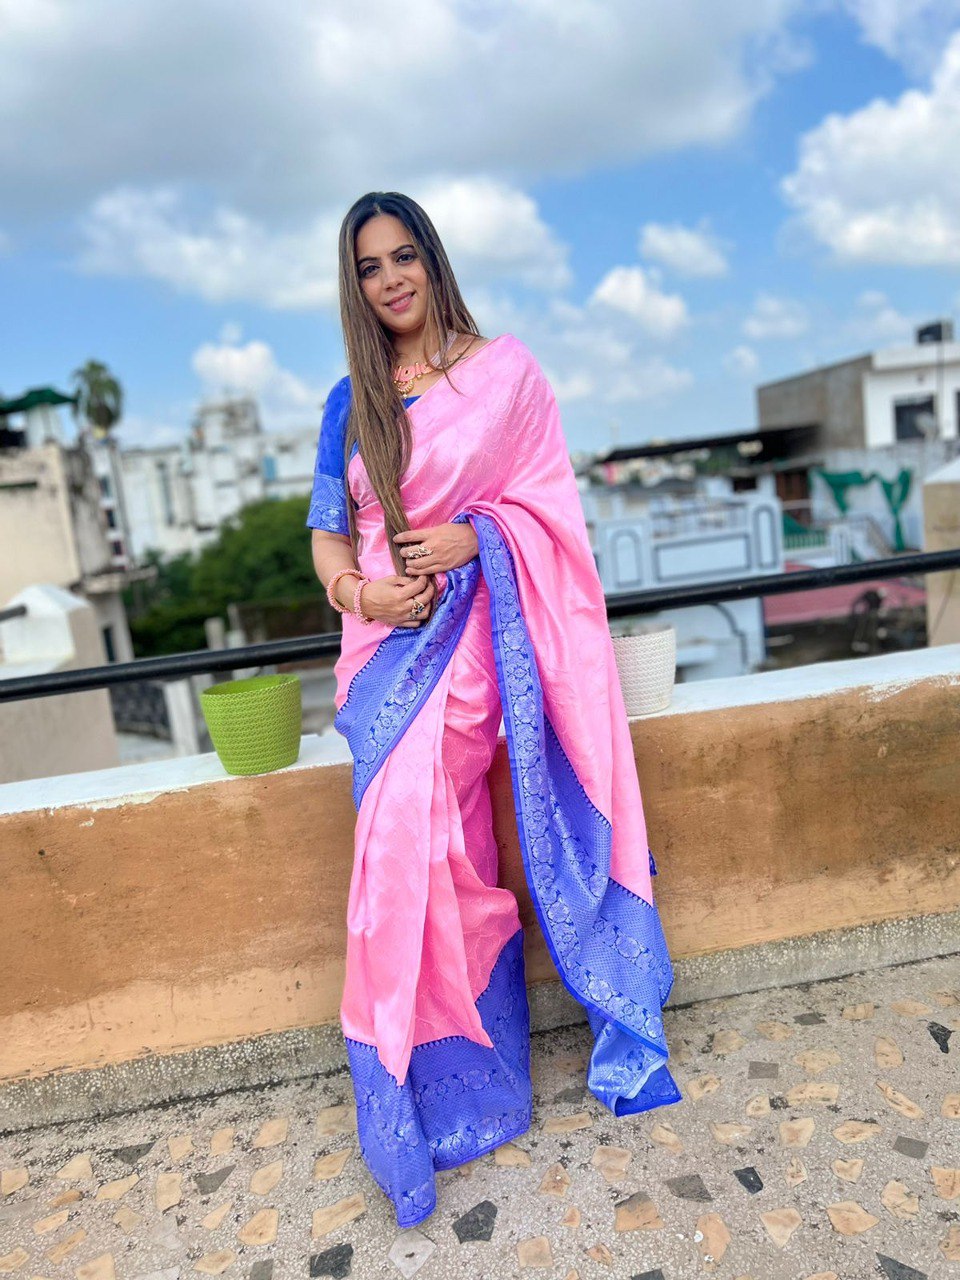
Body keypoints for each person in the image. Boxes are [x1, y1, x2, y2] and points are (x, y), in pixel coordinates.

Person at [307, 191, 680, 1228]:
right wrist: (363, 593)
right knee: (425, 848)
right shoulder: (351, 400)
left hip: (478, 638)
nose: (390, 279)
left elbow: (550, 502)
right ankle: (449, 1088)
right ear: (358, 284)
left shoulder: (503, 373)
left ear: (432, 258)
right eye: (370, 266)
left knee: (430, 842)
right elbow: (330, 539)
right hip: (385, 651)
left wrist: (480, 536)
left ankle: (443, 1068)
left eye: (403, 256)